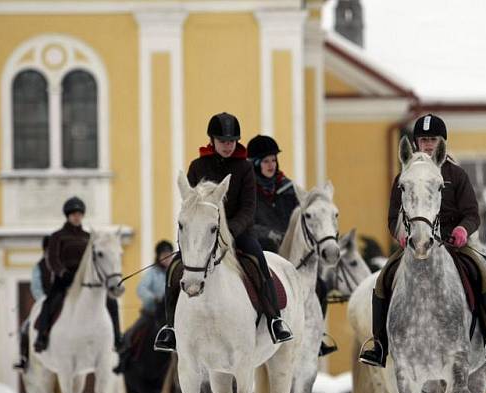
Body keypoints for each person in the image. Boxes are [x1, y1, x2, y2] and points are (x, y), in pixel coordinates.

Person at [358, 114, 486, 368]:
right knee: (383, 278)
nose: (428, 145)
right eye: (423, 140)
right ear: (416, 143)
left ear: (442, 144)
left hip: (454, 244)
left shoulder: (455, 174)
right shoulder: (404, 177)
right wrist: (402, 235)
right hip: (415, 243)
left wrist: (462, 229)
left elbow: (471, 212)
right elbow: (394, 215)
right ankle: (379, 344)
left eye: (433, 140)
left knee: (482, 272)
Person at [153, 113, 292, 352]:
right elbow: (190, 204)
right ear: (212, 140)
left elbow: (250, 207)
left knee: (258, 259)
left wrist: (230, 232)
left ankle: (274, 319)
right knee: (176, 266)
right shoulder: (197, 167)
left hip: (238, 232)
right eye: (223, 141)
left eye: (232, 141)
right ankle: (170, 327)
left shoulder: (245, 167)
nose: (228, 146)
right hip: (203, 235)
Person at [247, 134, 336, 356]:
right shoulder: (248, 191)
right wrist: (268, 232)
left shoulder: (288, 189)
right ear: (256, 164)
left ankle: (317, 336)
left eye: (273, 160)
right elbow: (246, 221)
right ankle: (260, 328)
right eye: (266, 161)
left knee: (321, 287)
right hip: (261, 250)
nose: (271, 165)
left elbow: (303, 221)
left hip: (290, 252)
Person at [33, 197, 122, 353]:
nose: (76, 216)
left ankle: (117, 337)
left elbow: (93, 260)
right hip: (64, 280)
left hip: (85, 279)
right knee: (50, 302)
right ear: (68, 215)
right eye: (73, 214)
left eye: (79, 214)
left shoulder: (88, 237)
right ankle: (42, 337)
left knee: (111, 302)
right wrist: (62, 273)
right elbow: (52, 259)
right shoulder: (57, 236)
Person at [113, 240, 174, 374]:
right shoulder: (152, 273)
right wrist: (154, 297)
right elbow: (141, 289)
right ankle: (124, 358)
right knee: (131, 333)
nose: (167, 258)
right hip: (151, 314)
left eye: (169, 255)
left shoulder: (175, 272)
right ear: (158, 257)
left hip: (171, 315)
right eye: (163, 255)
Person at [14, 236, 53, 370]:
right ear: (45, 249)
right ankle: (24, 358)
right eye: (50, 248)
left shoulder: (64, 265)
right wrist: (44, 299)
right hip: (45, 303)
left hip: (62, 302)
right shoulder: (39, 266)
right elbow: (35, 287)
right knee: (24, 328)